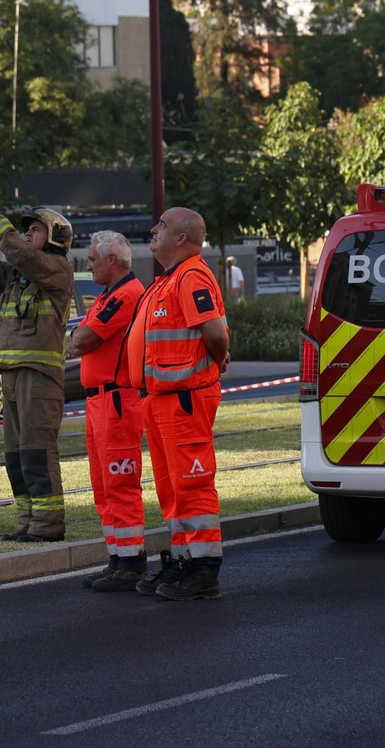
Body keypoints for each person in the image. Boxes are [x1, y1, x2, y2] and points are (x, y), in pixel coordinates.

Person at [126, 207, 230, 600]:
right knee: (173, 488)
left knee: (193, 483)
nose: (154, 231)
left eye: (162, 226)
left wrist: (217, 360)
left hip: (184, 400)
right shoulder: (167, 281)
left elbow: (215, 333)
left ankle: (204, 570)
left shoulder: (191, 276)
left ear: (182, 238)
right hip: (162, 400)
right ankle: (184, 561)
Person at [0, 197, 76, 542]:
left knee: (37, 450)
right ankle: (27, 520)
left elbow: (22, 255)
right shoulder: (16, 275)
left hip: (39, 378)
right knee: (16, 455)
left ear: (55, 237)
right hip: (10, 374)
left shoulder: (56, 269)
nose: (27, 235)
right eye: (25, 230)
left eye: (35, 230)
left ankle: (47, 524)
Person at [67, 230, 146, 592]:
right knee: (103, 484)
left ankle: (131, 562)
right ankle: (118, 558)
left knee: (119, 480)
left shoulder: (126, 294)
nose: (88, 265)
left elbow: (81, 340)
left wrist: (79, 338)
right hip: (100, 401)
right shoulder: (108, 295)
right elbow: (81, 339)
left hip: (117, 399)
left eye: (92, 259)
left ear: (112, 260)